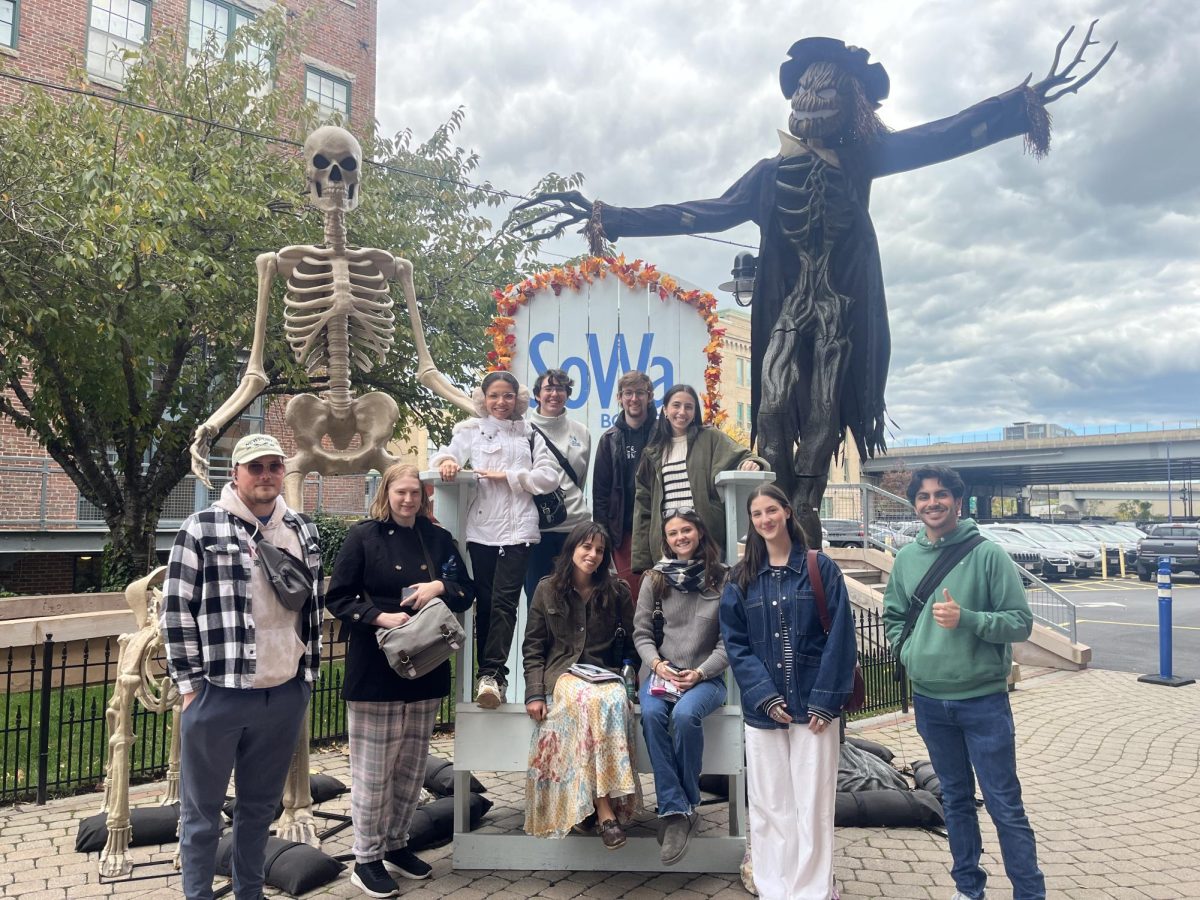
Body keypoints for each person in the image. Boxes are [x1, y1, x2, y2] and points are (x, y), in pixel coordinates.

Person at [161, 433, 323, 900]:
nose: (267, 475)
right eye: (256, 467)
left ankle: (249, 892)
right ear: (235, 473)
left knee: (259, 808)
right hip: (219, 692)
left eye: (275, 466)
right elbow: (176, 611)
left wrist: (305, 677)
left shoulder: (302, 529)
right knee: (201, 813)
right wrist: (191, 688)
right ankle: (197, 894)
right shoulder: (201, 528)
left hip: (283, 693)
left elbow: (312, 607)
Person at [883, 466, 1043, 900]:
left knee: (1005, 806)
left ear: (958, 501)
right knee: (954, 802)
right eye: (923, 497)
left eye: (941, 495)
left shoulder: (987, 555)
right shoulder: (906, 559)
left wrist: (967, 619)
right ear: (915, 505)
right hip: (931, 702)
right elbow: (893, 617)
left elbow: (1019, 622)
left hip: (982, 702)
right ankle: (969, 889)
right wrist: (908, 652)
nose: (932, 503)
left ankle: (1029, 893)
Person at [325, 463, 475, 899]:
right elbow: (338, 596)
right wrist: (378, 616)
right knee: (374, 773)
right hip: (376, 669)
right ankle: (366, 858)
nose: (408, 499)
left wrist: (438, 588)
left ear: (425, 496)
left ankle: (396, 845)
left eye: (416, 493)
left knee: (410, 769)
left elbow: (466, 590)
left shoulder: (437, 538)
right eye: (401, 492)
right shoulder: (363, 536)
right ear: (386, 493)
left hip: (425, 668)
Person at [719, 483, 857, 900]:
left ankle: (812, 890)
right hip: (766, 712)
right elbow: (735, 641)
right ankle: (774, 887)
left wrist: (825, 700)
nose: (765, 520)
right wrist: (763, 694)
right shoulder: (741, 577)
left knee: (812, 807)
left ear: (787, 513)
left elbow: (842, 638)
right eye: (757, 514)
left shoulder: (819, 567)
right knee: (769, 806)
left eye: (771, 510)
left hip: (814, 708)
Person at [430, 371, 558, 708]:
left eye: (507, 396)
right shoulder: (471, 430)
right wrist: (446, 462)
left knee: (506, 602)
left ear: (518, 399)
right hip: (483, 531)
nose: (501, 403)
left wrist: (510, 476)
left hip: (520, 533)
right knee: (485, 603)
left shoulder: (531, 432)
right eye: (494, 396)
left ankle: (492, 674)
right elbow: (445, 456)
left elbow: (548, 477)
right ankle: (488, 678)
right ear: (483, 399)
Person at [522, 522, 640, 848]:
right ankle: (604, 810)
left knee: (615, 701)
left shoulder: (616, 591)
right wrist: (534, 692)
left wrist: (629, 675)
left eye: (599, 550)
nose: (593, 555)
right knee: (585, 699)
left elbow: (632, 644)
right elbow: (533, 647)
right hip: (563, 675)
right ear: (572, 549)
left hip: (606, 674)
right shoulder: (547, 589)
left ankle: (589, 803)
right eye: (586, 547)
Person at [634, 509, 729, 866]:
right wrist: (659, 665)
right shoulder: (655, 580)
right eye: (673, 533)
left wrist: (700, 673)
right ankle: (680, 810)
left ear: (700, 532)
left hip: (705, 679)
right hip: (660, 675)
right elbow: (641, 634)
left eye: (686, 530)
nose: (680, 537)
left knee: (687, 716)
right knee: (654, 714)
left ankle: (680, 808)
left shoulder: (722, 579)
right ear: (666, 540)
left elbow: (728, 643)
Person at [632, 383, 767, 573]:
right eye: (676, 405)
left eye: (689, 407)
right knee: (671, 599)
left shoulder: (710, 438)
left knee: (709, 595)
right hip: (668, 540)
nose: (682, 412)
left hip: (705, 538)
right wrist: (642, 560)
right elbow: (643, 508)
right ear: (665, 410)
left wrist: (754, 463)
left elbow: (746, 456)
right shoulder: (653, 452)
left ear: (695, 411)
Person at [523, 367, 592, 601]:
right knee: (538, 602)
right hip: (536, 530)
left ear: (567, 394)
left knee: (576, 598)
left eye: (560, 388)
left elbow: (578, 480)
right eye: (548, 388)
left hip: (575, 529)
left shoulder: (581, 432)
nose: (554, 394)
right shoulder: (523, 430)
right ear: (537, 395)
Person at [592, 370, 657, 599]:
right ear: (619, 398)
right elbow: (600, 494)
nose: (634, 398)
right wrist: (602, 536)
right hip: (623, 533)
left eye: (640, 392)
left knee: (661, 592)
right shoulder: (609, 440)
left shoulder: (664, 434)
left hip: (658, 528)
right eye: (628, 393)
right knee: (630, 595)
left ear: (649, 396)